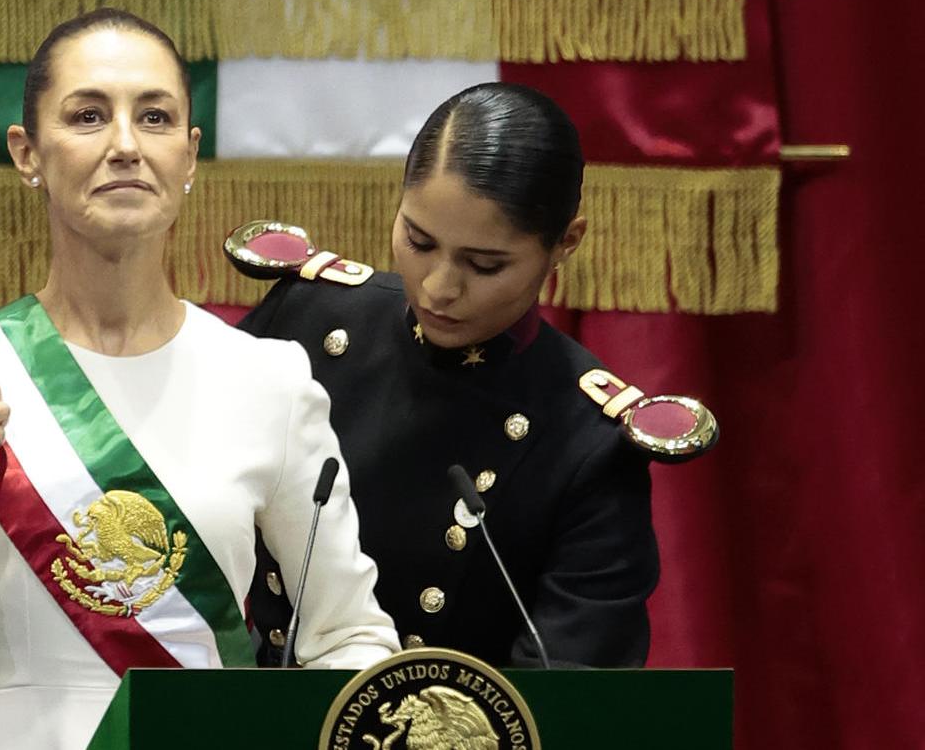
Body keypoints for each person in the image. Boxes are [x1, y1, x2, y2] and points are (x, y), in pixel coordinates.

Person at [0, 8, 397, 749]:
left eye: (154, 118)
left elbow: (350, 640)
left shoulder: (271, 381)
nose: (126, 145)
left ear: (190, 157)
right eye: (89, 115)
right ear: (27, 153)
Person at [236, 83, 715, 669]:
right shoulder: (306, 319)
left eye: (484, 264)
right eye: (418, 240)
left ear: (565, 243)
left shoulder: (588, 441)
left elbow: (569, 693)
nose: (439, 288)